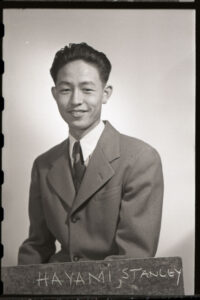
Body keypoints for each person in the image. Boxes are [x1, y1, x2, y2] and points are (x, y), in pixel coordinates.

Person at [18, 43, 164, 265]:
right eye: (66, 90)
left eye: (87, 89)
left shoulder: (141, 159)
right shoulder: (43, 164)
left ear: (105, 94)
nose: (76, 100)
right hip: (55, 290)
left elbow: (133, 259)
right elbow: (37, 246)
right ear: (54, 94)